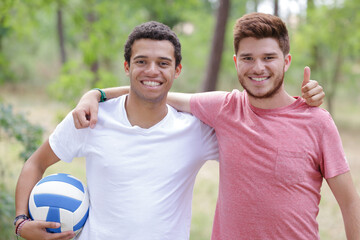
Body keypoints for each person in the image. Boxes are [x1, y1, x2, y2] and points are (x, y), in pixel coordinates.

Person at [73, 13, 360, 239]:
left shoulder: (317, 121)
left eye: (268, 58)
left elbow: (349, 204)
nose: (258, 67)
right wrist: (96, 94)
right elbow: (152, 90)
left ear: (286, 62)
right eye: (248, 58)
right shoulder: (224, 108)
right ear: (236, 62)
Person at [14, 21, 220, 240]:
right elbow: (35, 163)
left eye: (163, 63)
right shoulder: (91, 116)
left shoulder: (195, 131)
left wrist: (97, 92)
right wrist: (20, 221)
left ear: (177, 70)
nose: (152, 70)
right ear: (126, 67)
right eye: (141, 61)